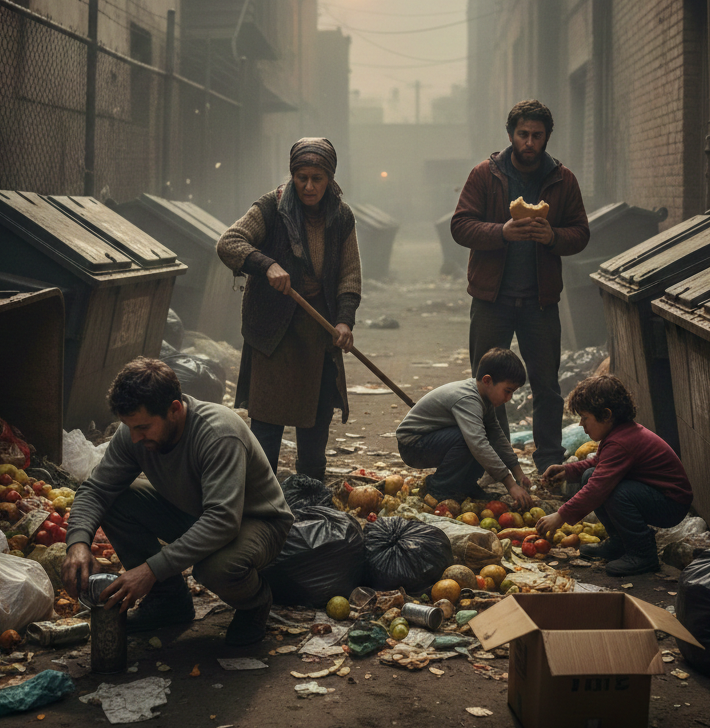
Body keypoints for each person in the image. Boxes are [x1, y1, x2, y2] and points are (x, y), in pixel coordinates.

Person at [61, 357, 294, 645]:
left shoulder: (219, 434)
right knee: (115, 498)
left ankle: (256, 602)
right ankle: (169, 601)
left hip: (254, 521)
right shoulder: (134, 432)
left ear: (174, 409)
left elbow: (222, 521)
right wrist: (78, 543)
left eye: (143, 428)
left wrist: (150, 570)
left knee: (215, 568)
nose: (134, 438)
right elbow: (96, 490)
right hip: (195, 512)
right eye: (129, 427)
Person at [451, 99, 589, 473]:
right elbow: (460, 225)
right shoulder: (485, 174)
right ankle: (498, 463)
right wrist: (502, 232)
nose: (529, 142)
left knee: (546, 385)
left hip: (539, 302)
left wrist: (553, 236)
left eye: (537, 136)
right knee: (488, 386)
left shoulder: (563, 179)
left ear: (547, 138)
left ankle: (548, 463)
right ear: (511, 135)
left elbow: (580, 234)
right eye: (523, 134)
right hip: (491, 299)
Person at [217, 137, 362, 480]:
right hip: (272, 329)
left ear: (330, 180)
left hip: (318, 329)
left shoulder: (341, 216)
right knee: (267, 421)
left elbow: (349, 274)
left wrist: (343, 321)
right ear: (292, 176)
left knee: (316, 419)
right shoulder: (271, 207)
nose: (309, 186)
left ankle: (310, 490)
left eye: (317, 178)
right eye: (301, 177)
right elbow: (229, 242)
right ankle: (260, 491)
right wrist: (266, 265)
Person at [534, 374, 693, 576]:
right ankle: (620, 544)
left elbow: (598, 487)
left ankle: (643, 554)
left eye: (585, 418)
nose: (582, 424)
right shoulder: (618, 434)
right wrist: (567, 471)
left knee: (613, 491)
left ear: (606, 415)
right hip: (656, 495)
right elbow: (597, 465)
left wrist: (561, 515)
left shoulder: (620, 442)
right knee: (590, 475)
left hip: (671, 503)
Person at [396, 347, 534, 507]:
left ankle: (466, 486)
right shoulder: (468, 399)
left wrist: (519, 474)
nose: (509, 398)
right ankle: (438, 486)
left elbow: (497, 436)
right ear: (487, 381)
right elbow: (478, 444)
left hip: (430, 440)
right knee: (472, 440)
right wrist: (510, 484)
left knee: (484, 434)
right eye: (507, 391)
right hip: (412, 446)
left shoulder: (484, 397)